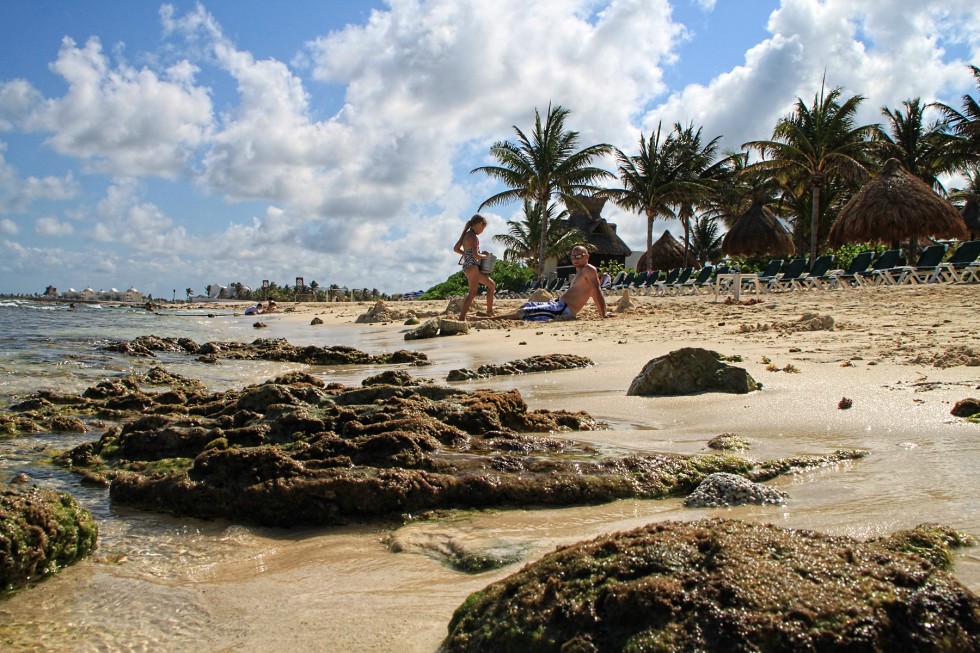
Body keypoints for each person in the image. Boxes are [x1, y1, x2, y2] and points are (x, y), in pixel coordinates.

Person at [476, 245, 613, 322]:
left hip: (562, 310)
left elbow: (596, 291)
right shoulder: (581, 272)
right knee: (527, 305)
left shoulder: (589, 269)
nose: (576, 259)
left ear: (587, 257)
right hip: (558, 304)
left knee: (525, 312)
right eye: (573, 257)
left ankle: (483, 320)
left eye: (579, 256)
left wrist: (603, 313)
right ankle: (492, 318)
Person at [453, 214, 496, 320]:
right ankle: (461, 318)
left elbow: (456, 248)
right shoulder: (472, 236)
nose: (482, 231)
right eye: (483, 228)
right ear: (480, 224)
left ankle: (489, 311)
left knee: (491, 285)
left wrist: (466, 254)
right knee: (472, 293)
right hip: (472, 266)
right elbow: (476, 256)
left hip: (468, 265)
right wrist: (485, 256)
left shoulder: (466, 234)